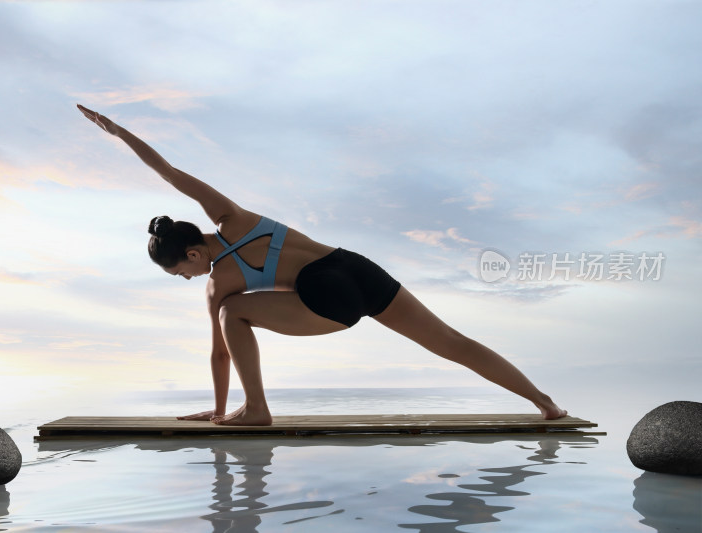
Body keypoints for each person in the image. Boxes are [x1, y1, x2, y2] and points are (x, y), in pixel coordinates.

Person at [77, 104, 568, 426]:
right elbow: (170, 172)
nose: (185, 279)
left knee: (234, 315)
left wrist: (224, 411)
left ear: (192, 254)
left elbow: (221, 351)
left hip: (326, 295)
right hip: (356, 268)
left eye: (179, 272)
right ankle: (546, 404)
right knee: (450, 342)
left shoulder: (220, 287)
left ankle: (258, 411)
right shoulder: (234, 217)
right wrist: (119, 133)